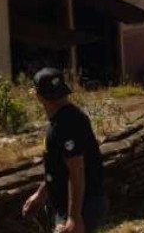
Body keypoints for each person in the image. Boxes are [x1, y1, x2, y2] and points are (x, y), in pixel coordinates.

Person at [22, 68, 106, 233]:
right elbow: (60, 168)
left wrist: (74, 217)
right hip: (73, 206)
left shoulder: (66, 123)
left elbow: (77, 170)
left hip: (82, 206)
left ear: (38, 96)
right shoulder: (63, 119)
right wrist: (41, 194)